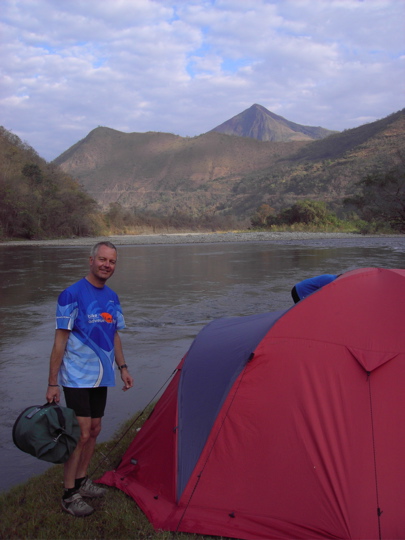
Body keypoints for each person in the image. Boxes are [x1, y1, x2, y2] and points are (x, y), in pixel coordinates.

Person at [46, 241, 134, 517]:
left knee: (95, 430)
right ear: (91, 260)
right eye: (103, 259)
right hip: (76, 376)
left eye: (112, 261)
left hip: (102, 375)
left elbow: (114, 334)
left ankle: (83, 480)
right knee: (81, 434)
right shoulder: (71, 295)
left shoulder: (112, 297)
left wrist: (123, 367)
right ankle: (69, 494)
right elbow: (59, 342)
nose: (107, 265)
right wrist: (52, 383)